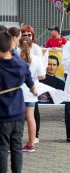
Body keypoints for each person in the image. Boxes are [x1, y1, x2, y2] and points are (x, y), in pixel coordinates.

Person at [0, 31, 36, 173]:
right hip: (18, 112)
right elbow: (27, 74)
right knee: (16, 146)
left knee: (2, 148)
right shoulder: (20, 64)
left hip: (2, 114)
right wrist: (32, 86)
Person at [20, 37, 46, 152]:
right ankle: (31, 144)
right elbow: (42, 76)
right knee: (31, 118)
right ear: (31, 46)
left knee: (17, 119)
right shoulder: (37, 59)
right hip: (32, 91)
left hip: (18, 91)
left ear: (19, 46)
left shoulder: (16, 59)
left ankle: (13, 143)